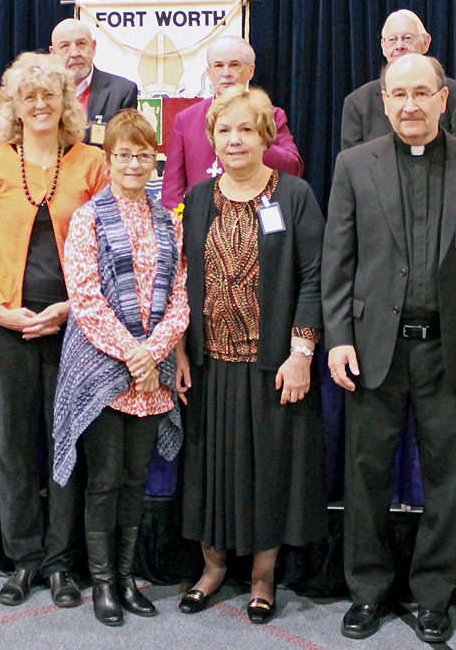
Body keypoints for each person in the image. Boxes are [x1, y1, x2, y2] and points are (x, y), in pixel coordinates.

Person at [323, 53, 456, 644]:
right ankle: (367, 591)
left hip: (449, 348)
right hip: (373, 349)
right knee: (366, 476)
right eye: (399, 94)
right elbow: (338, 261)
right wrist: (338, 338)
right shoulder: (354, 165)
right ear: (384, 102)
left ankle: (434, 597)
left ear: (442, 99)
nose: (410, 105)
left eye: (421, 93)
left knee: (446, 479)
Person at [0, 53, 108, 608]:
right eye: (29, 97)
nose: (40, 105)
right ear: (14, 108)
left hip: (76, 327)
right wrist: (0, 310)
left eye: (49, 95)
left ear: (66, 103)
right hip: (7, 328)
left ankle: (61, 564)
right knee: (16, 446)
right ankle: (23, 559)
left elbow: (109, 251)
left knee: (67, 447)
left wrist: (71, 307)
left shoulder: (93, 162)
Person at [178, 85, 326, 625]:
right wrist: (180, 352)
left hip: (274, 368)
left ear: (266, 137)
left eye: (245, 129)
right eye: (224, 130)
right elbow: (181, 281)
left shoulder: (294, 196)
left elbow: (315, 277)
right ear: (212, 138)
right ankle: (213, 569)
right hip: (210, 365)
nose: (234, 139)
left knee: (270, 472)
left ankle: (263, 575)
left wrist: (302, 351)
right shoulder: (198, 199)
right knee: (209, 472)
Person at [51, 110, 189, 627]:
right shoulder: (87, 218)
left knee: (135, 479)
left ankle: (126, 578)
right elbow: (86, 300)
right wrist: (135, 356)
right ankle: (102, 582)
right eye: (123, 154)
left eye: (142, 154)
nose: (133, 164)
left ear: (154, 160)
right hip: (101, 372)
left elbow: (180, 297)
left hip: (150, 374)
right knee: (105, 480)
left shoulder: (169, 221)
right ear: (107, 159)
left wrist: (153, 354)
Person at [160, 36, 303, 209]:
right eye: (219, 66)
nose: (226, 73)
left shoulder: (271, 115)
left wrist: (257, 141)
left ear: (251, 70)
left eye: (234, 65)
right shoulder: (186, 119)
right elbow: (171, 192)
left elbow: (293, 168)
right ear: (209, 72)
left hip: (255, 213)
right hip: (202, 216)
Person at [340, 9, 456, 150]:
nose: (399, 46)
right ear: (383, 47)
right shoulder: (357, 102)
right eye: (392, 40)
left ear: (426, 43)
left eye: (407, 38)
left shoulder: (455, 94)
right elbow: (353, 161)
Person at [50, 18, 139, 146]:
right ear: (53, 53)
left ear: (93, 47)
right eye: (65, 46)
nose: (74, 53)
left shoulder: (122, 92)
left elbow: (125, 147)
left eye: (81, 44)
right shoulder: (44, 94)